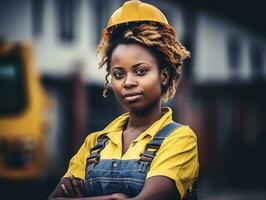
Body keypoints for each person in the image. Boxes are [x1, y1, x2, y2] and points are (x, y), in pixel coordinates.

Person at [48, 0, 199, 199]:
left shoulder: (180, 139)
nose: (128, 82)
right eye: (119, 74)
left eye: (140, 71)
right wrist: (113, 198)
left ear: (163, 76)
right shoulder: (94, 143)